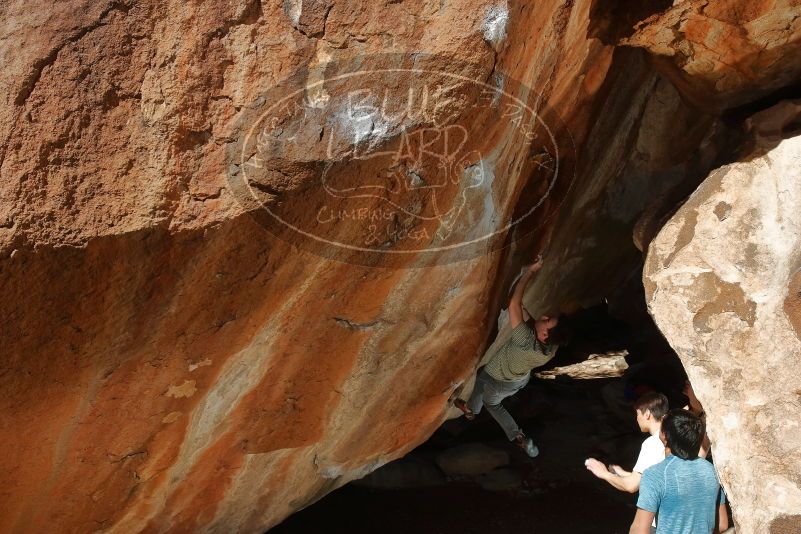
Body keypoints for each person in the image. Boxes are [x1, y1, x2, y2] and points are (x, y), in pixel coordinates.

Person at [453, 255, 561, 457]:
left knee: (486, 387)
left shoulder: (525, 340)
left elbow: (514, 304)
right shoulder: (550, 348)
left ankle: (476, 414)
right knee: (492, 401)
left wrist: (529, 271)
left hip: (500, 379)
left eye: (547, 321)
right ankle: (507, 431)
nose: (544, 317)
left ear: (544, 335)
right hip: (516, 382)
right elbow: (527, 317)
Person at [629, 409, 729, 534]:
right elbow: (723, 525)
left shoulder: (655, 474)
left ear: (664, 434)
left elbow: (639, 530)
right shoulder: (712, 471)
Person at [586, 392, 669, 493]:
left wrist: (603, 473)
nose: (637, 419)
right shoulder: (672, 436)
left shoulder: (652, 443)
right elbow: (650, 479)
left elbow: (631, 486)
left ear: (647, 414)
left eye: (638, 414)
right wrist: (623, 473)